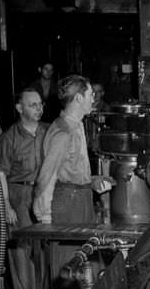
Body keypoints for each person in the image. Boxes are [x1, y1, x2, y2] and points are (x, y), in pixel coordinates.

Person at [33, 74, 115, 224]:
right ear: (78, 98)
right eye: (91, 95)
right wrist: (44, 216)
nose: (93, 99)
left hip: (80, 200)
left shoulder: (77, 126)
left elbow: (69, 170)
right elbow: (47, 176)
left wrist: (91, 181)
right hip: (67, 204)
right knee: (66, 248)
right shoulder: (63, 132)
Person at [0, 88, 47, 289]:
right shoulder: (8, 138)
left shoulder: (48, 131)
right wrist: (6, 204)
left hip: (43, 192)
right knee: (22, 249)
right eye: (32, 105)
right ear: (19, 108)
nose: (39, 108)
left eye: (40, 104)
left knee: (44, 247)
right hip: (19, 194)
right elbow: (0, 174)